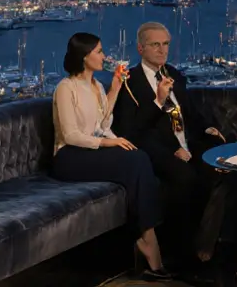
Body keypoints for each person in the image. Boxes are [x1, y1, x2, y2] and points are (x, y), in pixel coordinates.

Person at [52, 32, 171, 281]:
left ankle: (146, 239)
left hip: (89, 151)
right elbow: (71, 135)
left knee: (139, 157)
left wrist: (115, 89)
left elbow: (103, 123)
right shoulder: (66, 88)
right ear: (84, 57)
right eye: (99, 52)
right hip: (69, 158)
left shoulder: (96, 86)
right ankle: (149, 243)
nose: (104, 56)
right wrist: (109, 142)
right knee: (136, 161)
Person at [112, 21, 230, 268]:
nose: (162, 50)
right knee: (185, 178)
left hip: (187, 143)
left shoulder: (173, 73)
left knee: (227, 167)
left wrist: (207, 127)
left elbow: (189, 112)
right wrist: (158, 102)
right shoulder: (130, 84)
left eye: (165, 44)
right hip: (155, 151)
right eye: (155, 45)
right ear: (141, 48)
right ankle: (182, 254)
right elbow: (131, 132)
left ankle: (207, 247)